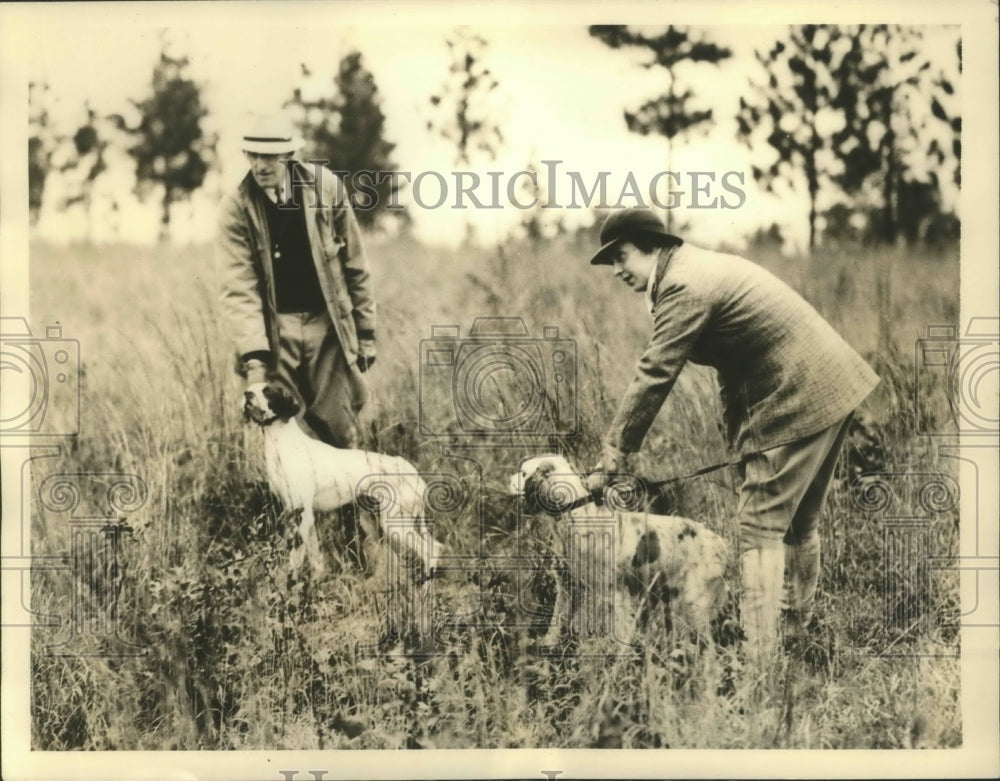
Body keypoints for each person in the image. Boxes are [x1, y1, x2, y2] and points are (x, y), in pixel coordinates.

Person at [584, 207, 880, 660]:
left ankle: (759, 663)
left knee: (759, 527)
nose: (616, 271)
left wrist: (615, 451)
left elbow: (656, 372)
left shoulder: (683, 284)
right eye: (610, 263)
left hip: (799, 392)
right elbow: (734, 364)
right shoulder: (693, 267)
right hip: (831, 384)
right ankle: (794, 635)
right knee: (798, 522)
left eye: (620, 256)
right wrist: (741, 442)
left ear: (651, 245)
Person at [215, 113, 376, 449]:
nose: (260, 165)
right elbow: (239, 288)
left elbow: (355, 264)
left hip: (328, 325)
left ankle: (347, 484)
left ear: (289, 155)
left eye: (269, 156)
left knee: (340, 427)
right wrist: (255, 362)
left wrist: (365, 333)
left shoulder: (326, 188)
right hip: (276, 331)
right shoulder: (235, 208)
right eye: (253, 155)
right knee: (280, 431)